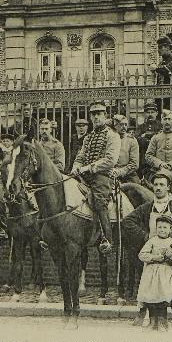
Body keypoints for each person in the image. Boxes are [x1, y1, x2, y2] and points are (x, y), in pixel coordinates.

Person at [123, 170, 172, 332]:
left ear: (168, 188)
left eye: (162, 185)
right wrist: (146, 237)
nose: (158, 188)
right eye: (156, 184)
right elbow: (128, 221)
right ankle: (156, 322)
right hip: (154, 257)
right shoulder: (147, 207)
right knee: (153, 288)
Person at [71, 103, 122, 254]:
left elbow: (110, 160)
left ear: (105, 115)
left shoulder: (113, 136)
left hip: (102, 176)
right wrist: (76, 167)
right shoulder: (88, 138)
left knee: (100, 202)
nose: (96, 117)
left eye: (99, 114)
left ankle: (107, 238)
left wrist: (88, 167)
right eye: (93, 114)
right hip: (84, 176)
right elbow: (80, 157)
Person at [137, 214, 172, 331]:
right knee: (150, 297)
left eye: (165, 227)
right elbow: (141, 255)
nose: (162, 230)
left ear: (170, 229)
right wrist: (153, 257)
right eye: (159, 227)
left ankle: (163, 322)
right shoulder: (152, 241)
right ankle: (153, 322)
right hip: (151, 275)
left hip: (165, 275)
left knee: (162, 298)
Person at [154, 35, 172, 120]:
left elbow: (169, 70)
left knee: (171, 119)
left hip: (171, 96)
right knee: (160, 120)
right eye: (159, 48)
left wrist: (156, 69)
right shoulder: (161, 63)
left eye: (161, 47)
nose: (159, 50)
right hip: (160, 96)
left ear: (167, 47)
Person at [110, 114, 140, 184]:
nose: (124, 127)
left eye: (125, 125)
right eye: (121, 125)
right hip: (110, 172)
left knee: (134, 187)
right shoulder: (110, 139)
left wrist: (120, 172)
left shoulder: (132, 140)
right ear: (115, 126)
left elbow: (134, 164)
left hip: (128, 174)